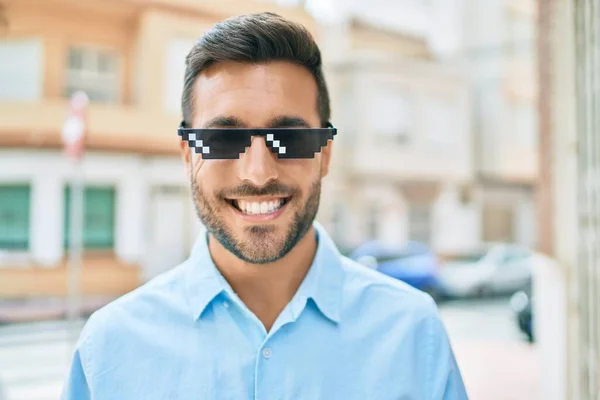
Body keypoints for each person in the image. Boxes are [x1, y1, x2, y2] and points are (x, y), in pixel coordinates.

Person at [61, 12, 468, 400]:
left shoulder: (414, 334)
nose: (257, 173)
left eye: (289, 138)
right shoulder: (110, 349)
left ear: (325, 155)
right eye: (223, 139)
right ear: (187, 155)